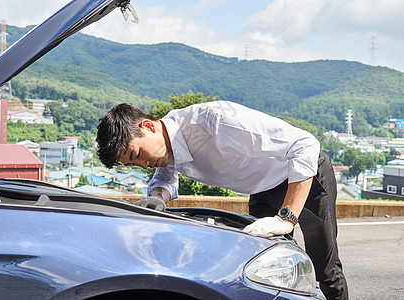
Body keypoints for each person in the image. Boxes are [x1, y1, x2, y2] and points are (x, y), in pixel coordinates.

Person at [96, 101, 348, 300]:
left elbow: (305, 145)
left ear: (148, 126)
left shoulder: (214, 121)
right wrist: (156, 199)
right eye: (134, 164)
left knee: (325, 268)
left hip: (304, 178)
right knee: (270, 269)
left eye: (137, 154)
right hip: (261, 189)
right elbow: (166, 175)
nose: (143, 164)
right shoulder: (166, 147)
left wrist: (288, 216)